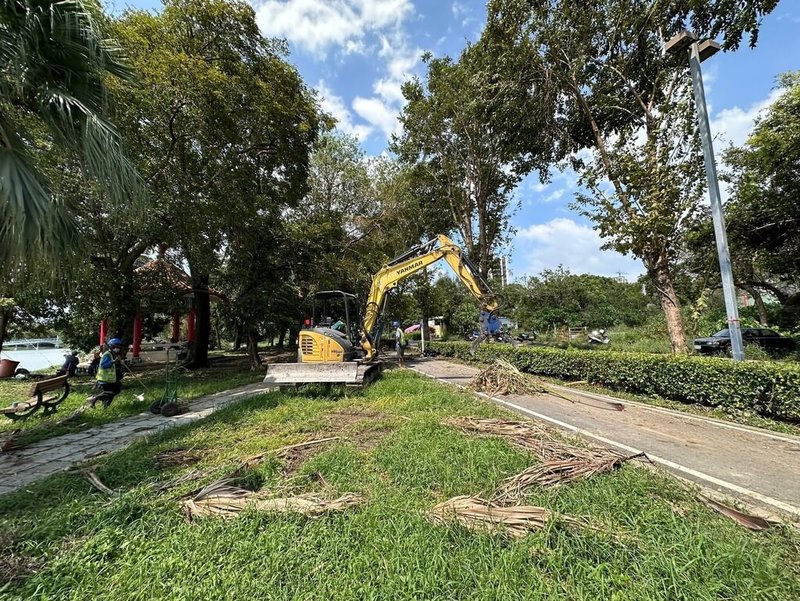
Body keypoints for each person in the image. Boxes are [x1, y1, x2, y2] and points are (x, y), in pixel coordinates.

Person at [87, 338, 124, 408]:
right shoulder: (107, 355)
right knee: (109, 392)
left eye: (119, 347)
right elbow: (103, 365)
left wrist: (119, 362)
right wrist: (113, 361)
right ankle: (94, 399)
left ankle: (105, 405)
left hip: (112, 379)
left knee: (116, 390)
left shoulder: (114, 355)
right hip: (105, 378)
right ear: (112, 347)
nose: (118, 349)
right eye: (117, 347)